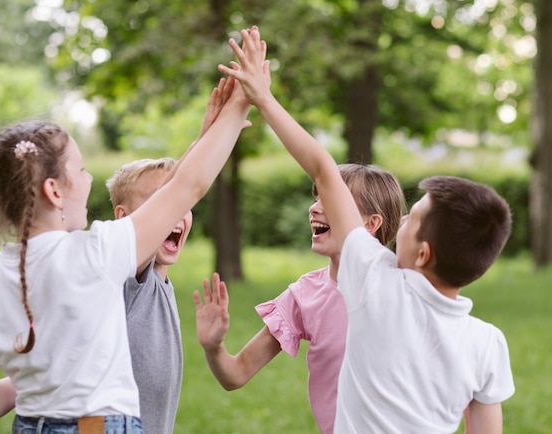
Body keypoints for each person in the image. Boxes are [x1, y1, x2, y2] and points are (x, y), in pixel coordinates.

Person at [218, 26, 514, 434]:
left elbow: (324, 169)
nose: (402, 222)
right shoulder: (488, 343)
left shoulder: (375, 285)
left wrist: (263, 97)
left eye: (411, 219)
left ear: (424, 253)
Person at [0, 75, 250, 434]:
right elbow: (189, 186)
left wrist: (42, 379)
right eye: (80, 169)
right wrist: (239, 105)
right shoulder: (97, 252)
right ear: (54, 191)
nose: (90, 179)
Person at [194, 162, 405, 434]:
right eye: (316, 197)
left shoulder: (405, 287)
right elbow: (236, 374)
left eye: (330, 200)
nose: (314, 207)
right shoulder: (305, 295)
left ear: (371, 224)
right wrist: (214, 347)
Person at [106, 157, 191, 434]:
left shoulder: (159, 281)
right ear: (123, 218)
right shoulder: (129, 273)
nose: (175, 211)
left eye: (181, 203)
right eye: (162, 201)